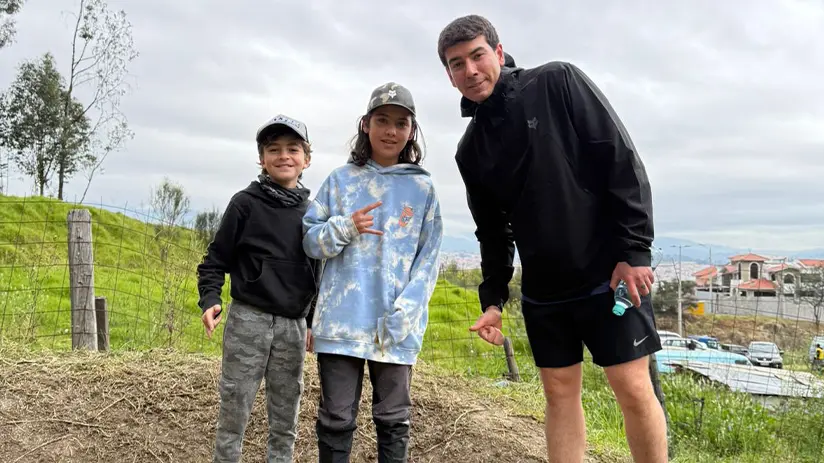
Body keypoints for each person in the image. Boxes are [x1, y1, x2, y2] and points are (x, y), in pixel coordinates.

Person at [436, 14, 668, 463]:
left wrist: (634, 251)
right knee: (559, 394)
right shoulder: (470, 149)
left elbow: (619, 158)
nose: (470, 70)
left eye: (478, 55)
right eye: (456, 64)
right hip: (544, 289)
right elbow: (492, 231)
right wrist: (493, 299)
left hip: (608, 272)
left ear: (498, 53)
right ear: (448, 75)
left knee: (633, 387)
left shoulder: (557, 81)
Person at [302, 82, 443, 463]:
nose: (390, 130)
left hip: (394, 325)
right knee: (335, 417)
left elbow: (428, 261)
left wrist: (406, 314)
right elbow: (311, 242)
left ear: (411, 131)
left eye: (400, 122)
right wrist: (345, 226)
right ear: (366, 124)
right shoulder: (340, 181)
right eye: (382, 120)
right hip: (341, 324)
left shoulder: (422, 188)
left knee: (394, 418)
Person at [196, 114, 321, 463]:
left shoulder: (313, 214)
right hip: (248, 320)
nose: (284, 156)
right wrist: (210, 299)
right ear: (261, 158)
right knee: (234, 411)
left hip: (293, 328)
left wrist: (312, 321)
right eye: (273, 149)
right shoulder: (244, 204)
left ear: (306, 159)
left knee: (286, 417)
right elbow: (214, 260)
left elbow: (318, 274)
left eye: (293, 149)